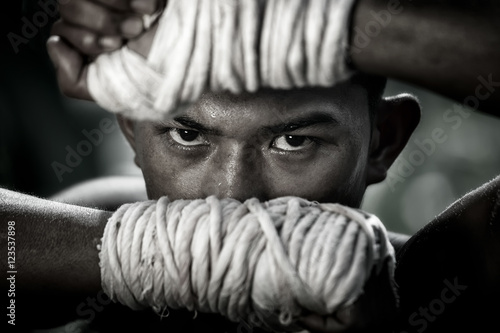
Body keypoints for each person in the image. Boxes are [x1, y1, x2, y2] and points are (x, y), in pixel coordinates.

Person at [1, 0, 499, 332]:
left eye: (293, 140)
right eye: (188, 135)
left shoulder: (438, 279)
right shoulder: (101, 226)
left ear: (383, 142)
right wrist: (178, 256)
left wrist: (305, 26)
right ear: (132, 130)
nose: (232, 193)